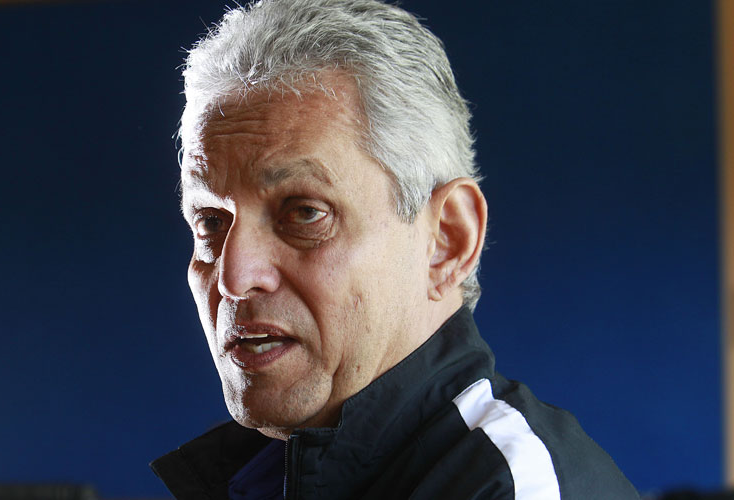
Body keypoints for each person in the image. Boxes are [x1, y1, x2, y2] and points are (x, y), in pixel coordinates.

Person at [151, 0, 640, 498]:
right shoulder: (259, 476)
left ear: (447, 241)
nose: (234, 277)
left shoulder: (515, 488)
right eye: (210, 222)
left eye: (304, 213)